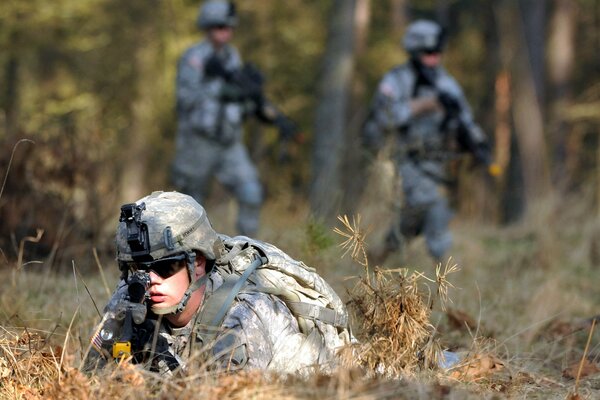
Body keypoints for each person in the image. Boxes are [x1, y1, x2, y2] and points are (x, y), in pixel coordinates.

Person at [83, 191, 352, 377]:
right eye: (137, 270)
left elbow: (231, 391)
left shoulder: (242, 315)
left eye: (165, 267)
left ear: (197, 263)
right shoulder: (131, 300)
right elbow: (88, 381)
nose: (149, 280)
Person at [363, 19, 497, 264]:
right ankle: (443, 273)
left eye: (437, 53)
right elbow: (384, 118)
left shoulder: (447, 84)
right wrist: (423, 105)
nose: (434, 58)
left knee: (415, 217)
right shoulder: (396, 80)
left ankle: (382, 253)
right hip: (404, 159)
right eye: (428, 53)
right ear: (414, 51)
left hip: (439, 163)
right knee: (433, 208)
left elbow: (465, 120)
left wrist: (479, 144)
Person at [171, 0, 296, 236]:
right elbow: (185, 99)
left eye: (229, 27)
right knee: (189, 207)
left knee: (251, 193)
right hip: (198, 142)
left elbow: (243, 96)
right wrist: (218, 90)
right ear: (207, 27)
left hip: (230, 144)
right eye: (219, 27)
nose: (225, 32)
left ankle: (247, 254)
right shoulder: (194, 58)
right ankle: (188, 262)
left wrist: (258, 109)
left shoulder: (232, 57)